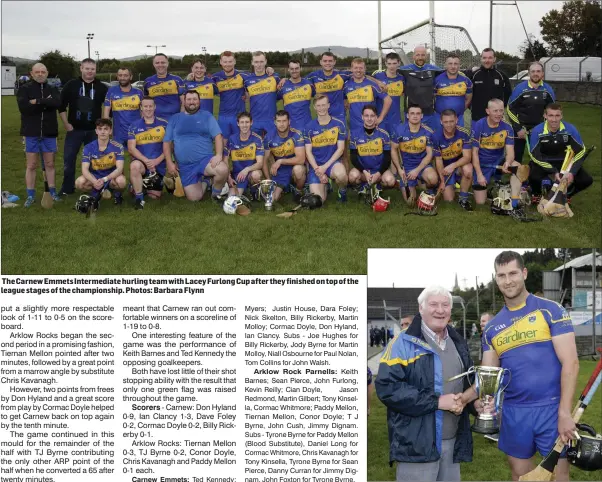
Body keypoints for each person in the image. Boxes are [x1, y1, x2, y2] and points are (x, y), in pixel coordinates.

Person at [461, 251, 578, 482]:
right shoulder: (492, 328)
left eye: (513, 273)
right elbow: (488, 378)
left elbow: (572, 363)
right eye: (501, 275)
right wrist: (463, 399)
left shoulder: (551, 310)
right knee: (520, 475)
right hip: (514, 412)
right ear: (496, 279)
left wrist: (565, 413)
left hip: (551, 409)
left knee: (558, 476)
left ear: (524, 273)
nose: (508, 280)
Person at [376, 286, 475, 482]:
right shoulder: (401, 343)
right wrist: (437, 402)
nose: (440, 310)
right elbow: (387, 388)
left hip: (452, 441)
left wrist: (474, 404)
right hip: (417, 445)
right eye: (433, 304)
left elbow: (466, 383)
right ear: (421, 309)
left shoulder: (458, 342)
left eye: (445, 305)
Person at [163, 90, 228, 201]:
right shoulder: (175, 119)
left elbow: (218, 136)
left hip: (205, 160)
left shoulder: (207, 116)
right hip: (185, 166)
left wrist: (218, 155)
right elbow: (167, 142)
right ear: (184, 101)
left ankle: (215, 194)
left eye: (194, 99)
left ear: (199, 101)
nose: (192, 102)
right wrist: (169, 162)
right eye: (189, 99)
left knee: (222, 170)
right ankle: (206, 181)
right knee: (194, 198)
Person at [58, 58, 108, 195]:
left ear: (95, 70)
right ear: (81, 68)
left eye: (92, 69)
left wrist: (103, 126)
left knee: (96, 161)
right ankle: (67, 189)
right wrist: (66, 124)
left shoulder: (102, 87)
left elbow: (108, 107)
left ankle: (96, 187)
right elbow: (61, 107)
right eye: (87, 68)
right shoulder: (71, 85)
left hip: (94, 131)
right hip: (74, 130)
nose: (90, 71)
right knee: (69, 160)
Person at [17, 62, 62, 207]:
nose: (40, 74)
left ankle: (52, 193)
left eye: (43, 72)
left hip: (49, 132)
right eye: (37, 72)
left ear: (47, 73)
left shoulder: (53, 88)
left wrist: (37, 101)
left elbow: (57, 103)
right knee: (31, 165)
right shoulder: (24, 89)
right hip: (31, 132)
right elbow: (24, 108)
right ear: (32, 73)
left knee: (49, 163)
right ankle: (30, 195)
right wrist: (46, 103)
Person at [527, 103, 592, 203]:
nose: (554, 119)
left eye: (557, 115)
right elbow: (534, 155)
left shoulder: (570, 129)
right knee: (533, 177)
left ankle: (567, 194)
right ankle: (536, 194)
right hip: (544, 162)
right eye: (551, 115)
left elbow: (581, 151)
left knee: (586, 180)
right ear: (545, 116)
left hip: (565, 163)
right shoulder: (537, 131)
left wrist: (571, 172)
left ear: (561, 116)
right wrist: (553, 172)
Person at [472, 99, 523, 218]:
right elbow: (474, 153)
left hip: (498, 161)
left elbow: (510, 152)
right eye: (495, 111)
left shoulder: (507, 127)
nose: (499, 114)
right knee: (480, 202)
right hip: (482, 163)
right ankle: (493, 188)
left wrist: (508, 162)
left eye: (501, 110)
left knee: (518, 167)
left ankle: (514, 203)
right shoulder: (479, 125)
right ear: (487, 111)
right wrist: (479, 174)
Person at [507, 61, 555, 163]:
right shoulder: (520, 88)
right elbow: (510, 109)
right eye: (533, 71)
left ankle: (536, 176)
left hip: (539, 128)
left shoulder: (548, 89)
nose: (535, 74)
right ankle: (515, 176)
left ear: (542, 73)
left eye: (538, 71)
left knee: (539, 155)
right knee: (516, 156)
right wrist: (518, 128)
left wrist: (547, 127)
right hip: (521, 128)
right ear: (529, 73)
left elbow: (552, 111)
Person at [304, 94, 348, 202]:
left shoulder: (339, 124)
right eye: (318, 106)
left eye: (324, 105)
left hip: (332, 164)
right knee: (318, 201)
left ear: (328, 105)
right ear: (314, 107)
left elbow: (340, 149)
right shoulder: (309, 127)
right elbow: (308, 152)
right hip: (316, 167)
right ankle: (327, 185)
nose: (321, 108)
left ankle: (342, 191)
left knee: (342, 175)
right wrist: (318, 170)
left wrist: (325, 167)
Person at [390, 104, 438, 204]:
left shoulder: (428, 132)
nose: (415, 116)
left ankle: (429, 190)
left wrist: (417, 170)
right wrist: (399, 169)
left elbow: (430, 154)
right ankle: (411, 184)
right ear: (407, 115)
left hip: (422, 166)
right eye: (412, 113)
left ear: (422, 116)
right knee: (410, 201)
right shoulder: (399, 130)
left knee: (433, 179)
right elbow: (393, 150)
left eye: (418, 113)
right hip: (406, 168)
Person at [127, 97, 169, 210]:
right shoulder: (134, 125)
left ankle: (138, 185)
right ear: (141, 108)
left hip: (158, 165)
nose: (148, 109)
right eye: (145, 106)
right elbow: (131, 148)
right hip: (142, 163)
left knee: (154, 196)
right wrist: (146, 161)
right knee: (134, 166)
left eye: (150, 106)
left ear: (155, 107)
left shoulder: (164, 124)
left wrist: (157, 161)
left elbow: (170, 147)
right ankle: (139, 199)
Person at [74, 118, 126, 203]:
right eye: (100, 129)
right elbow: (84, 169)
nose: (103, 132)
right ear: (96, 131)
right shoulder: (88, 147)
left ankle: (116, 193)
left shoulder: (118, 147)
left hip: (110, 178)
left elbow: (119, 169)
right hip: (95, 176)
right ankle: (96, 192)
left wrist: (105, 179)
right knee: (79, 183)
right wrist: (95, 181)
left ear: (110, 131)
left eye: (106, 129)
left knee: (121, 181)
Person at [431, 109, 473, 210]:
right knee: (449, 200)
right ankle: (449, 184)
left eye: (451, 121)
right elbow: (438, 160)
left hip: (459, 166)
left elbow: (467, 157)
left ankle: (463, 198)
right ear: (441, 122)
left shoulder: (464, 133)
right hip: (445, 170)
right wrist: (442, 181)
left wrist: (453, 166)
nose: (449, 125)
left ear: (456, 120)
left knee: (468, 170)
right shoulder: (435, 136)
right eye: (446, 122)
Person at [348, 105, 396, 192]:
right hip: (363, 172)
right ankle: (362, 187)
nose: (369, 118)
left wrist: (378, 174)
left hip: (379, 172)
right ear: (362, 117)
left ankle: (378, 186)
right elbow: (353, 157)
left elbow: (387, 159)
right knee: (352, 177)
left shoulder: (384, 135)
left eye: (372, 116)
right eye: (366, 116)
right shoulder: (354, 134)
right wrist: (364, 172)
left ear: (376, 117)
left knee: (390, 181)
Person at [263, 110, 306, 202]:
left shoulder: (297, 135)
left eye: (284, 121)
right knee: (273, 199)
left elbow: (301, 159)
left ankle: (298, 190)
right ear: (275, 122)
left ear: (289, 121)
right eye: (279, 121)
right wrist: (268, 179)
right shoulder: (269, 137)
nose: (281, 124)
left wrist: (280, 161)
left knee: (298, 170)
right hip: (280, 170)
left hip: (294, 165)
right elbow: (264, 160)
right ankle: (286, 187)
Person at [398, 46, 444, 132]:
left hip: (429, 112)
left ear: (426, 56)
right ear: (413, 56)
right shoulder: (404, 70)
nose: (420, 57)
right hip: (411, 113)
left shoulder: (434, 69)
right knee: (411, 139)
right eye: (418, 55)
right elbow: (389, 73)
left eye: (423, 55)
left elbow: (450, 72)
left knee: (429, 137)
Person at [464, 48, 512, 129]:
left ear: (494, 59)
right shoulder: (473, 75)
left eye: (490, 58)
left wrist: (499, 110)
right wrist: (474, 108)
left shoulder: (502, 76)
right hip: (477, 118)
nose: (487, 60)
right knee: (477, 141)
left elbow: (508, 96)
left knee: (497, 142)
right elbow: (467, 95)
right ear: (481, 59)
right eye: (484, 58)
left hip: (497, 120)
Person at [343, 58, 392, 132]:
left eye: (361, 68)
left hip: (371, 125)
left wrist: (380, 118)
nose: (358, 70)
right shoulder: (346, 85)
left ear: (364, 69)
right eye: (356, 68)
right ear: (351, 69)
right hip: (354, 126)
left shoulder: (372, 84)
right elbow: (344, 101)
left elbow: (388, 100)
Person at [224, 112, 265, 196]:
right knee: (232, 199)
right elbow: (225, 160)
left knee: (256, 175)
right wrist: (228, 177)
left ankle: (254, 189)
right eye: (242, 122)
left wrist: (246, 170)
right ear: (238, 124)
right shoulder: (232, 139)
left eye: (247, 122)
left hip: (250, 172)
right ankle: (243, 190)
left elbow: (260, 163)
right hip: (237, 174)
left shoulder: (257, 139)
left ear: (251, 123)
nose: (244, 125)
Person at [242, 51, 281, 138]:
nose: (259, 65)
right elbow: (245, 96)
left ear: (266, 61)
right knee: (256, 148)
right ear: (252, 62)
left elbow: (283, 89)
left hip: (271, 120)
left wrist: (285, 79)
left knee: (272, 148)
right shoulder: (247, 80)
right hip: (255, 121)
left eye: (261, 62)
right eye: (256, 62)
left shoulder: (275, 77)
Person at [102, 67, 143, 147]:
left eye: (125, 75)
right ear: (117, 77)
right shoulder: (111, 91)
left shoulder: (138, 92)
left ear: (130, 77)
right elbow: (106, 111)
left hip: (136, 131)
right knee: (118, 158)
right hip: (118, 134)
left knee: (136, 157)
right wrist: (106, 129)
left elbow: (143, 112)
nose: (122, 78)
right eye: (120, 75)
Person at [211, 51, 247, 139]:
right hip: (223, 116)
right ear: (221, 62)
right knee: (224, 144)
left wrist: (268, 69)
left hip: (239, 116)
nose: (228, 64)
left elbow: (260, 77)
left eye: (230, 61)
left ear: (234, 61)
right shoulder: (215, 77)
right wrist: (190, 75)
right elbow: (200, 81)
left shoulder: (243, 75)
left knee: (240, 143)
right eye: (225, 62)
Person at [434, 54, 473, 127]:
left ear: (459, 65)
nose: (453, 66)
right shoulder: (437, 80)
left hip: (459, 118)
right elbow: (432, 98)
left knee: (459, 138)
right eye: (450, 63)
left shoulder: (466, 81)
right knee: (439, 138)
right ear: (445, 65)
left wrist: (460, 110)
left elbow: (468, 98)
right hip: (439, 118)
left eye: (456, 64)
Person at [372, 52, 405, 136]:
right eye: (389, 63)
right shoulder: (377, 76)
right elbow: (365, 77)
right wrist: (378, 82)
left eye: (394, 63)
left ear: (399, 63)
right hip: (380, 118)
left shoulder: (402, 78)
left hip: (395, 118)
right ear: (385, 64)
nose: (392, 66)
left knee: (395, 144)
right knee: (381, 145)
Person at [144, 53, 184, 121]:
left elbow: (184, 102)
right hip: (155, 123)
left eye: (163, 62)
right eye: (157, 63)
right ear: (153, 64)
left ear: (167, 63)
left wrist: (180, 119)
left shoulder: (177, 80)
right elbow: (145, 104)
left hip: (174, 121)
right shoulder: (148, 82)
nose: (160, 65)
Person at [277, 60, 315, 131]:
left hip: (307, 125)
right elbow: (272, 100)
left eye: (297, 68)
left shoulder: (308, 84)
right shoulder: (283, 85)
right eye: (292, 69)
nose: (294, 71)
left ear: (301, 68)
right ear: (288, 69)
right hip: (290, 127)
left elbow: (318, 96)